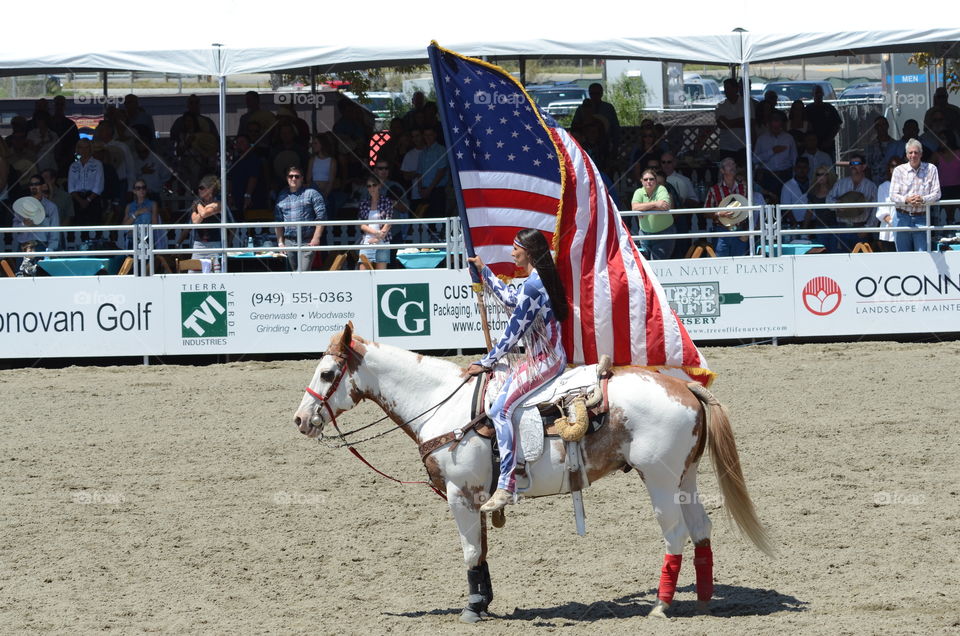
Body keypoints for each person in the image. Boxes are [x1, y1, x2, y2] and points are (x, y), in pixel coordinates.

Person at [465, 229, 568, 513]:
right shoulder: (536, 281)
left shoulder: (535, 285)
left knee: (500, 409)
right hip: (543, 355)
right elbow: (512, 299)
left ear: (529, 252)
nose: (512, 253)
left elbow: (513, 331)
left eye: (516, 248)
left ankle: (507, 483)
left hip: (546, 359)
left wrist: (487, 360)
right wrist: (485, 272)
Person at [890, 139, 941, 252]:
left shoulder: (931, 169)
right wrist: (907, 200)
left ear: (921, 154)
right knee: (903, 258)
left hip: (922, 217)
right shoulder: (898, 170)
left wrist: (923, 199)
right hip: (901, 217)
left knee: (922, 255)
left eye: (916, 152)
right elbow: (893, 195)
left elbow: (937, 193)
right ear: (907, 155)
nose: (913, 155)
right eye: (910, 152)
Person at [274, 166, 326, 271]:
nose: (293, 179)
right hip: (289, 241)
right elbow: (278, 221)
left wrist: (316, 238)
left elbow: (322, 217)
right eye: (291, 176)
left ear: (302, 178)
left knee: (303, 272)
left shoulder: (312, 193)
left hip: (307, 241)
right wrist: (280, 242)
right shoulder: (282, 196)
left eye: (297, 176)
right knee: (293, 274)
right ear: (287, 178)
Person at [827, 153, 878, 252]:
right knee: (842, 261)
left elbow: (876, 209)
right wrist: (837, 205)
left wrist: (868, 228)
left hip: (861, 229)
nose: (853, 166)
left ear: (864, 166)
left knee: (862, 262)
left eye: (856, 163)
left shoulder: (871, 186)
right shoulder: (840, 183)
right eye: (851, 163)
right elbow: (828, 200)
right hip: (842, 228)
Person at [632, 168, 674, 260]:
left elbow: (665, 206)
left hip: (664, 233)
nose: (648, 181)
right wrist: (655, 204)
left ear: (656, 181)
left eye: (651, 179)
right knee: (646, 265)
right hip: (644, 234)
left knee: (657, 263)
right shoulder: (638, 192)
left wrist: (643, 208)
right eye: (645, 179)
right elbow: (634, 207)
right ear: (641, 181)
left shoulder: (661, 189)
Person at [754, 111, 797, 200]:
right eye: (773, 121)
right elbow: (754, 159)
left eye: (778, 121)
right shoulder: (762, 139)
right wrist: (772, 151)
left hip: (785, 175)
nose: (776, 124)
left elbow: (794, 159)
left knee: (785, 201)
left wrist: (793, 177)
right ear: (769, 123)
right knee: (768, 202)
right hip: (767, 176)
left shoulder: (789, 138)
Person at [572, 83, 621, 160]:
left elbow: (615, 129)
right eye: (592, 93)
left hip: (604, 146)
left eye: (597, 93)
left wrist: (615, 147)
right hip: (585, 146)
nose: (594, 96)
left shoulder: (608, 108)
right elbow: (574, 128)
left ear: (601, 93)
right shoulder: (580, 109)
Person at [67, 139, 104, 237]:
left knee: (96, 226)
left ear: (90, 148)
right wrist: (80, 200)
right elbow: (71, 187)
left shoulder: (97, 164)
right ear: (77, 149)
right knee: (81, 227)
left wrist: (88, 200)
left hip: (93, 198)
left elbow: (99, 185)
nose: (83, 150)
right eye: (80, 147)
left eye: (86, 147)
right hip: (78, 198)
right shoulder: (73, 166)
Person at [715, 78, 753, 167]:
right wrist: (740, 120)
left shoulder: (746, 103)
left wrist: (729, 122)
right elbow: (721, 125)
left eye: (729, 88)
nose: (726, 91)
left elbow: (749, 123)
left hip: (744, 146)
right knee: (726, 173)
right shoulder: (720, 105)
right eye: (725, 89)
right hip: (726, 147)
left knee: (743, 174)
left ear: (736, 89)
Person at [357, 178, 394, 270]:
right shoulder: (363, 203)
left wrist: (377, 238)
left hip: (382, 242)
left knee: (380, 277)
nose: (372, 188)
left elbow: (388, 222)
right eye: (369, 186)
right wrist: (376, 233)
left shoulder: (387, 201)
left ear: (379, 186)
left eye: (374, 185)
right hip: (367, 242)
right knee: (363, 274)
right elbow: (361, 224)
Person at [187, 175, 223, 265]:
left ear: (210, 189)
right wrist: (205, 208)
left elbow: (203, 214)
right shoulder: (212, 205)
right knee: (193, 273)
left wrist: (198, 204)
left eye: (201, 188)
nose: (199, 190)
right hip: (198, 244)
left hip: (214, 244)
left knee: (215, 273)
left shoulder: (218, 203)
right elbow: (195, 221)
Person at [123, 179, 161, 250]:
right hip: (132, 240)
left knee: (148, 261)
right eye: (138, 188)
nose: (141, 190)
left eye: (143, 187)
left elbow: (155, 224)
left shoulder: (152, 204)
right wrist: (136, 213)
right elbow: (124, 226)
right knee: (132, 260)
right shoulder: (129, 206)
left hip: (148, 240)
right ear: (134, 191)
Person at [874, 157, 902, 252]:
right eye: (892, 166)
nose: (895, 168)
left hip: (904, 231)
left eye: (898, 166)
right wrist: (894, 224)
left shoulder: (908, 185)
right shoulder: (883, 187)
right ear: (889, 169)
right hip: (888, 233)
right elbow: (882, 211)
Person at [805, 85, 842, 155]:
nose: (819, 95)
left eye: (820, 93)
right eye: (816, 93)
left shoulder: (829, 108)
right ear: (812, 94)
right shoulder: (808, 109)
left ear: (823, 94)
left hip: (828, 145)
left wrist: (829, 140)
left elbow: (837, 125)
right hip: (812, 145)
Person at [779, 157, 811, 229]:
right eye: (799, 167)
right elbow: (786, 208)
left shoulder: (813, 183)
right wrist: (795, 225)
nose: (802, 170)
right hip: (794, 224)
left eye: (805, 167)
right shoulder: (787, 185)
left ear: (809, 169)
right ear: (795, 168)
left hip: (813, 223)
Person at [307, 133, 337, 200]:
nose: (312, 145)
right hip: (313, 192)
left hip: (326, 193)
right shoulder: (312, 160)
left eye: (315, 143)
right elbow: (308, 179)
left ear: (322, 144)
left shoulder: (332, 161)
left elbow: (331, 181)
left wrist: (325, 194)